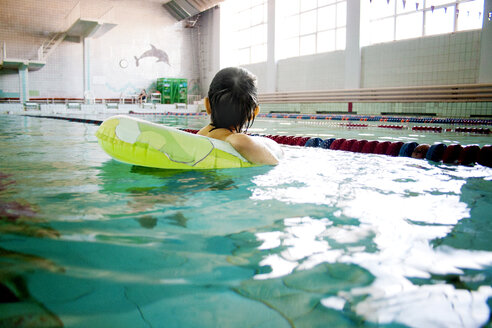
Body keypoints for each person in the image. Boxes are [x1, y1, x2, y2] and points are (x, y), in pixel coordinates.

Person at [197, 67, 279, 165]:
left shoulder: (199, 135)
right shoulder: (239, 140)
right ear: (254, 113)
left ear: (207, 105)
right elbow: (274, 164)